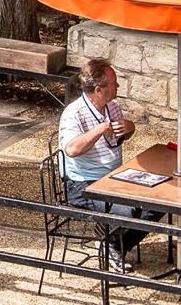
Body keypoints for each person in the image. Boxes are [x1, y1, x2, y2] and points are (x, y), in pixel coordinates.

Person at [60, 57, 165, 271]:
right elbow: (71, 149)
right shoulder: (74, 113)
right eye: (114, 83)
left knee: (157, 201)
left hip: (115, 177)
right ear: (99, 90)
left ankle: (113, 244)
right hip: (84, 184)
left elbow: (124, 133)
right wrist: (99, 129)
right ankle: (111, 245)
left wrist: (129, 127)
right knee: (127, 210)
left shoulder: (112, 106)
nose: (118, 86)